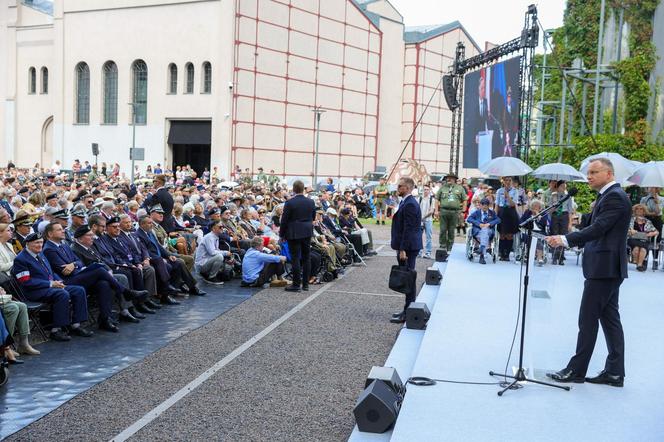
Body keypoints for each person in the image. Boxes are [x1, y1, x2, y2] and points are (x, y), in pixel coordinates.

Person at [546, 158, 631, 387]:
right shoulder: (608, 195)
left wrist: (565, 239)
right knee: (610, 320)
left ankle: (576, 370)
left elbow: (599, 228)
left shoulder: (614, 196)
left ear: (609, 173)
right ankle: (614, 372)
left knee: (588, 319)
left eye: (594, 172)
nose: (589, 176)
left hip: (604, 269)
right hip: (607, 268)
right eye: (588, 172)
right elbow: (598, 223)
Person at [12, 233, 93, 341]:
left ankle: (76, 325)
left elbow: (50, 272)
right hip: (33, 292)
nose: (40, 245)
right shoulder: (21, 259)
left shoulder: (40, 254)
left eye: (41, 242)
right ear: (28, 244)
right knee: (61, 294)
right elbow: (26, 281)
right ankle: (56, 330)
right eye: (36, 242)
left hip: (49, 287)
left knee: (78, 290)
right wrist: (50, 284)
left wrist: (58, 281)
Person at [389, 177, 422, 324]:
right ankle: (407, 309)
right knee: (408, 278)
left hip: (408, 247)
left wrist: (403, 249)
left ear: (408, 188)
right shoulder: (406, 202)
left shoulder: (410, 204)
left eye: (400, 186)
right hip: (407, 245)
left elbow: (409, 229)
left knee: (408, 279)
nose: (398, 188)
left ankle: (408, 312)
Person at [279, 180, 315, 292]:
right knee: (306, 258)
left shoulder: (290, 203)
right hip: (307, 231)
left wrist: (281, 234)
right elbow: (313, 217)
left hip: (294, 232)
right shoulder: (311, 201)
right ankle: (305, 285)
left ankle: (296, 284)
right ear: (303, 188)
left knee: (295, 258)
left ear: (294, 189)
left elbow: (284, 220)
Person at [435, 172, 466, 255]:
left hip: (454, 212)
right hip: (443, 211)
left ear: (455, 179)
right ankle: (442, 245)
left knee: (451, 230)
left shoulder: (460, 188)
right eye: (447, 178)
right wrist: (436, 210)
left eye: (450, 178)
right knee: (443, 229)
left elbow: (464, 200)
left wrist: (463, 211)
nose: (448, 179)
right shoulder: (442, 188)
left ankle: (450, 247)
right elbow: (437, 199)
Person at [466, 198, 500, 264]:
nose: (484, 206)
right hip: (478, 232)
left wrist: (489, 224)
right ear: (480, 205)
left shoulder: (492, 213)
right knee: (484, 233)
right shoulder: (477, 212)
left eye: (486, 205)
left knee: (485, 230)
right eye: (483, 204)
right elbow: (469, 219)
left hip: (489, 231)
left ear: (488, 205)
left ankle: (481, 250)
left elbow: (498, 220)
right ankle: (482, 254)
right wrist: (479, 224)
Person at [494, 176, 519, 261]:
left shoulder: (515, 191)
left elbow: (513, 204)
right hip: (502, 212)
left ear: (511, 181)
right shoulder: (499, 191)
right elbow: (497, 204)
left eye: (509, 180)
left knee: (509, 235)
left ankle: (507, 254)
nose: (508, 182)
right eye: (506, 180)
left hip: (510, 212)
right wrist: (495, 215)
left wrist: (507, 196)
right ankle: (501, 253)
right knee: (502, 234)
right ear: (503, 181)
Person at [627, 204, 658, 272]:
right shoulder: (631, 220)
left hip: (644, 239)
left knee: (643, 249)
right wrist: (630, 231)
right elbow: (625, 229)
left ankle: (639, 265)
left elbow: (656, 232)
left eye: (641, 209)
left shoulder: (648, 221)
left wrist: (651, 233)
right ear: (635, 211)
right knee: (636, 249)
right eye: (637, 209)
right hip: (633, 239)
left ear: (644, 211)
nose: (639, 210)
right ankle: (639, 264)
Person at [640, 187, 662, 269]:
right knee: (646, 238)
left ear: (657, 189)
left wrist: (656, 203)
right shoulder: (643, 199)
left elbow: (658, 212)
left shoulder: (661, 199)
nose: (651, 189)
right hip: (646, 220)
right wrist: (650, 213)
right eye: (649, 187)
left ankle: (655, 260)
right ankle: (644, 259)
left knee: (656, 240)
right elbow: (642, 211)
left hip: (657, 221)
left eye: (653, 187)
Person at [418, 184, 435, 258]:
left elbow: (431, 211)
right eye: (425, 189)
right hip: (420, 221)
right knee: (418, 236)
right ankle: (419, 252)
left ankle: (428, 253)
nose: (426, 191)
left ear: (430, 190)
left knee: (428, 237)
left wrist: (423, 217)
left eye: (427, 189)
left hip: (428, 220)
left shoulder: (432, 199)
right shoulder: (420, 198)